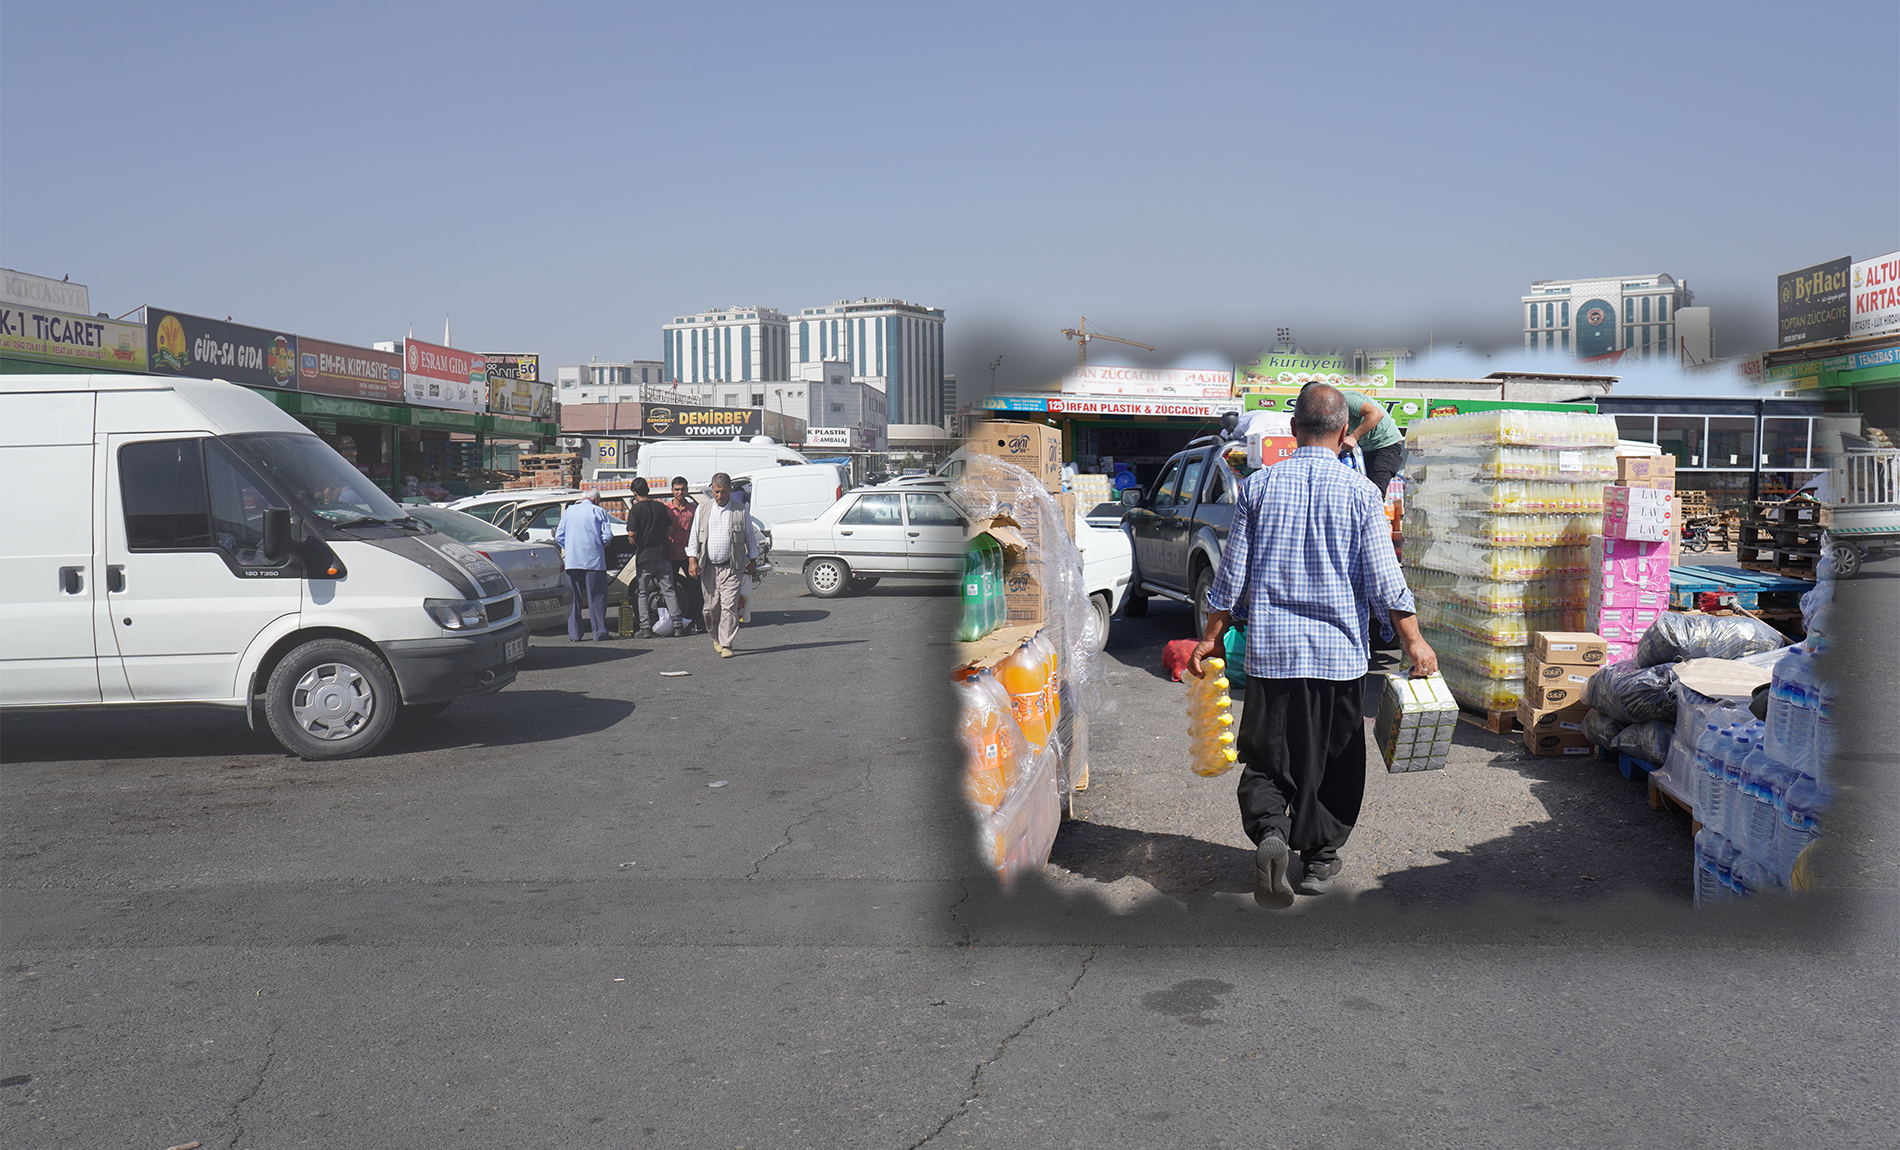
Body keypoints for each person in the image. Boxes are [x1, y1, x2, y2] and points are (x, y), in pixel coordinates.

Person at [1188, 384, 1438, 909]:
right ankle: (1320, 859)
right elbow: (1385, 580)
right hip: (1340, 657)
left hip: (1272, 657)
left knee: (1267, 757)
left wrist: (1210, 638)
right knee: (1334, 760)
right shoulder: (1363, 494)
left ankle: (1272, 834)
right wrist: (1413, 642)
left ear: (1293, 428)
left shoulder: (1258, 487)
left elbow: (1232, 580)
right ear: (1345, 433)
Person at [687, 472, 759, 658]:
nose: (720, 496)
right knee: (711, 608)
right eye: (717, 492)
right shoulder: (703, 509)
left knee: (729, 606)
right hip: (708, 566)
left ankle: (727, 643)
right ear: (712, 489)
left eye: (724, 492)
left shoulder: (740, 510)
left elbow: (750, 538)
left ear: (730, 491)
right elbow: (694, 537)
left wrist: (753, 560)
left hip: (732, 567)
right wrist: (692, 560)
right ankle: (716, 637)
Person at [554, 489, 616, 642]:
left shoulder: (569, 512)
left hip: (572, 561)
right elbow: (607, 536)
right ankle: (599, 632)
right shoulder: (598, 511)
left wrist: (570, 547)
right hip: (594, 561)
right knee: (597, 597)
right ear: (596, 499)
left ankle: (574, 634)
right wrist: (599, 545)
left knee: (574, 598)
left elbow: (559, 536)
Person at [625, 478, 682, 639]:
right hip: (662, 554)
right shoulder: (660, 507)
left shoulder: (635, 510)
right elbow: (670, 530)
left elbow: (631, 533)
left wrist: (633, 538)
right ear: (647, 490)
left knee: (642, 592)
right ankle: (677, 625)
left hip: (644, 557)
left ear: (635, 493)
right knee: (669, 590)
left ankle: (646, 627)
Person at [1335, 386, 1405, 497]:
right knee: (1362, 491)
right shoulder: (1327, 411)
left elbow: (1377, 414)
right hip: (1367, 448)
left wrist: (1354, 436)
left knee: (1375, 493)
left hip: (1386, 445)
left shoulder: (1345, 399)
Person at [664, 477, 704, 635]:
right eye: (677, 489)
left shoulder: (694, 509)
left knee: (695, 588)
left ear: (687, 490)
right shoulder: (666, 509)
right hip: (671, 554)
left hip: (690, 555)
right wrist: (672, 546)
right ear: (672, 491)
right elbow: (662, 532)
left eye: (683, 489)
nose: (680, 492)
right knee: (670, 589)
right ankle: (674, 621)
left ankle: (697, 619)